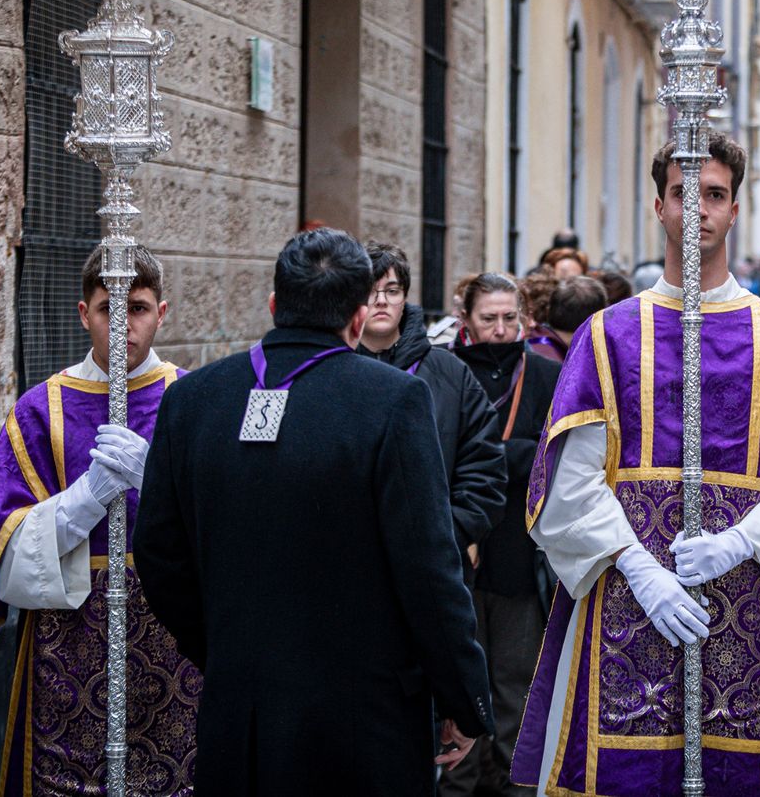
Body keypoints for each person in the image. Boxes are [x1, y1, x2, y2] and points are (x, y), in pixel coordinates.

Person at [512, 134, 760, 796]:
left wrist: (737, 543)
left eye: (715, 194)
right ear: (658, 205)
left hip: (747, 601)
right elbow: (570, 479)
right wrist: (640, 569)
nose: (697, 209)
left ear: (735, 208)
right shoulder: (607, 337)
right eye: (682, 193)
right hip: (624, 598)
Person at [134, 228, 494, 795]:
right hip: (363, 720)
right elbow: (428, 570)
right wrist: (465, 699)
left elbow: (157, 553)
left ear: (274, 305)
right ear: (357, 318)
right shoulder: (393, 399)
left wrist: (223, 649)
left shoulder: (192, 397)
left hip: (240, 710)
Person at [0, 244, 198, 796]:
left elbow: (233, 534)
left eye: (140, 308)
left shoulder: (194, 401)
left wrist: (157, 486)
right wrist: (85, 499)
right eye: (110, 308)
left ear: (163, 313)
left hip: (174, 644)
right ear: (84, 314)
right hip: (70, 645)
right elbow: (3, 547)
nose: (124, 324)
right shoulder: (40, 409)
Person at [444, 273, 566, 797]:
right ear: (467, 319)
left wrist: (493, 455)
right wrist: (513, 453)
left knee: (516, 688)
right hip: (458, 557)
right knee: (456, 692)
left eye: (508, 318)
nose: (500, 330)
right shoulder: (445, 372)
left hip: (519, 554)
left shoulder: (543, 374)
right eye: (488, 319)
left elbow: (558, 452)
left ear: (525, 318)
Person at [358, 241, 506, 578]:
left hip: (435, 563)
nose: (381, 301)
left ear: (405, 297)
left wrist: (449, 534)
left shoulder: (449, 372)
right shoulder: (334, 370)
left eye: (392, 291)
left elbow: (484, 464)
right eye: (370, 290)